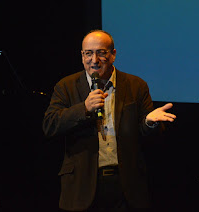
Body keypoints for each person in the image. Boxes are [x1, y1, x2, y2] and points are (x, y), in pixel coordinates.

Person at [42, 30, 176, 212]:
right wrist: (84, 108)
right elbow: (50, 125)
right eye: (88, 53)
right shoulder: (66, 86)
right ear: (82, 57)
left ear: (113, 55)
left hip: (126, 185)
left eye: (101, 52)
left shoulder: (136, 85)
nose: (94, 60)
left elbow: (148, 134)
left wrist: (149, 122)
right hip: (82, 186)